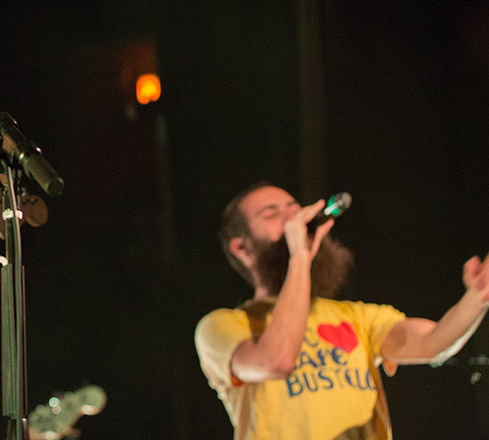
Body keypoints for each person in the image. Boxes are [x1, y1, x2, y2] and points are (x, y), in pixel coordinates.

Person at [195, 182, 489, 440]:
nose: (293, 219)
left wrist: (478, 296)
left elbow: (434, 342)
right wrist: (299, 257)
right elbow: (275, 362)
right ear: (241, 248)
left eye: (294, 208)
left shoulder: (354, 317)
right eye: (272, 214)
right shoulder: (222, 326)